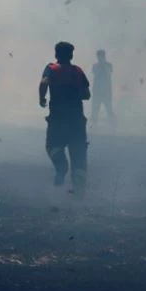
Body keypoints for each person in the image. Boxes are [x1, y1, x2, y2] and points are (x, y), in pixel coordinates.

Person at [39, 41, 91, 196]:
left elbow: (44, 82)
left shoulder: (51, 68)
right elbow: (87, 95)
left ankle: (61, 167)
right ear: (71, 55)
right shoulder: (78, 71)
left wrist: (42, 98)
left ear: (56, 54)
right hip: (77, 120)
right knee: (79, 154)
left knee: (52, 146)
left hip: (58, 120)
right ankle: (79, 193)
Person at [91, 49, 115, 126]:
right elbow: (95, 73)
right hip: (97, 91)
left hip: (106, 92)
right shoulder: (95, 66)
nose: (99, 58)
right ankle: (94, 127)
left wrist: (103, 65)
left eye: (101, 56)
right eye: (98, 56)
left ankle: (113, 125)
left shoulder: (109, 65)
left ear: (104, 56)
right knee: (95, 110)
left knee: (109, 109)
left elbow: (108, 73)